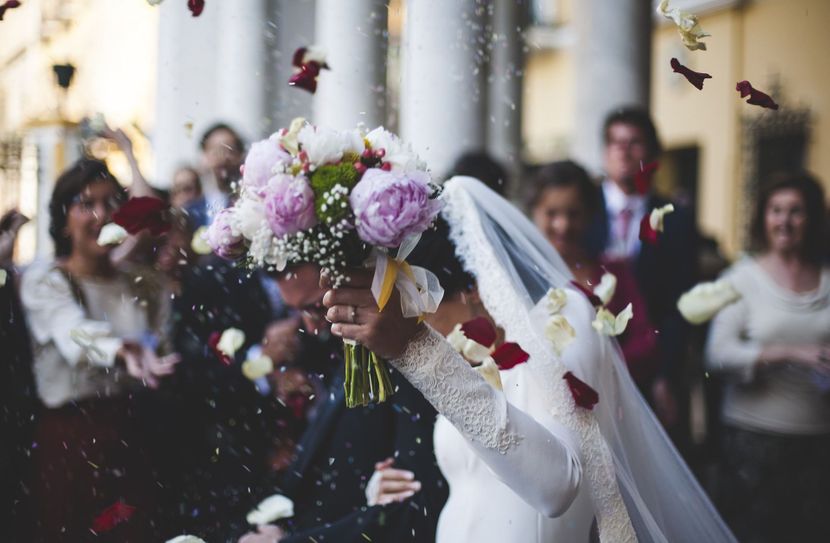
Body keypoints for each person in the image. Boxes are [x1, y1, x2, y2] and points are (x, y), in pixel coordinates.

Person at [328, 176, 736, 542]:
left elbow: (556, 485)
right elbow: (477, 476)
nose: (426, 330)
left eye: (421, 314)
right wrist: (390, 486)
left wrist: (418, 349)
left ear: (469, 290)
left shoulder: (565, 319)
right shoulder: (474, 360)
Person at [20, 159, 180, 542]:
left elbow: (158, 342)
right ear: (63, 220)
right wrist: (118, 349)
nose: (101, 215)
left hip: (132, 429)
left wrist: (149, 356)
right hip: (72, 436)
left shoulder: (143, 284)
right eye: (86, 204)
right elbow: (71, 332)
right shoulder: (47, 280)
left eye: (110, 203)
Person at [237, 263, 448, 543]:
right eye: (296, 312)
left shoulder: (409, 353)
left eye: (315, 306)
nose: (309, 327)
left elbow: (416, 510)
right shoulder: (332, 346)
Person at [705, 172, 830, 542]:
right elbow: (718, 355)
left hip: (819, 441)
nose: (785, 221)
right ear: (763, 217)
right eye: (776, 210)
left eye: (796, 211)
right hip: (752, 443)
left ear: (812, 219)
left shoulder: (828, 279)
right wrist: (790, 353)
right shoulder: (740, 279)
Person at [585, 107, 698, 438]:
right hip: (590, 359)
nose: (623, 150)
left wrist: (666, 374)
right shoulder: (581, 210)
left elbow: (681, 303)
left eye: (633, 142)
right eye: (615, 142)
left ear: (651, 152)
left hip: (653, 368)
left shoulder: (676, 219)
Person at [529, 160, 660, 386]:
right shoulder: (520, 275)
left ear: (589, 215)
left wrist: (598, 367)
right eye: (551, 213)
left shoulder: (614, 273)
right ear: (533, 213)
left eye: (573, 213)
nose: (563, 225)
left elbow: (645, 341)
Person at [185, 123, 245, 228]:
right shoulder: (190, 212)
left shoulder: (247, 205)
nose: (222, 158)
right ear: (203, 157)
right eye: (215, 151)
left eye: (229, 150)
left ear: (240, 156)